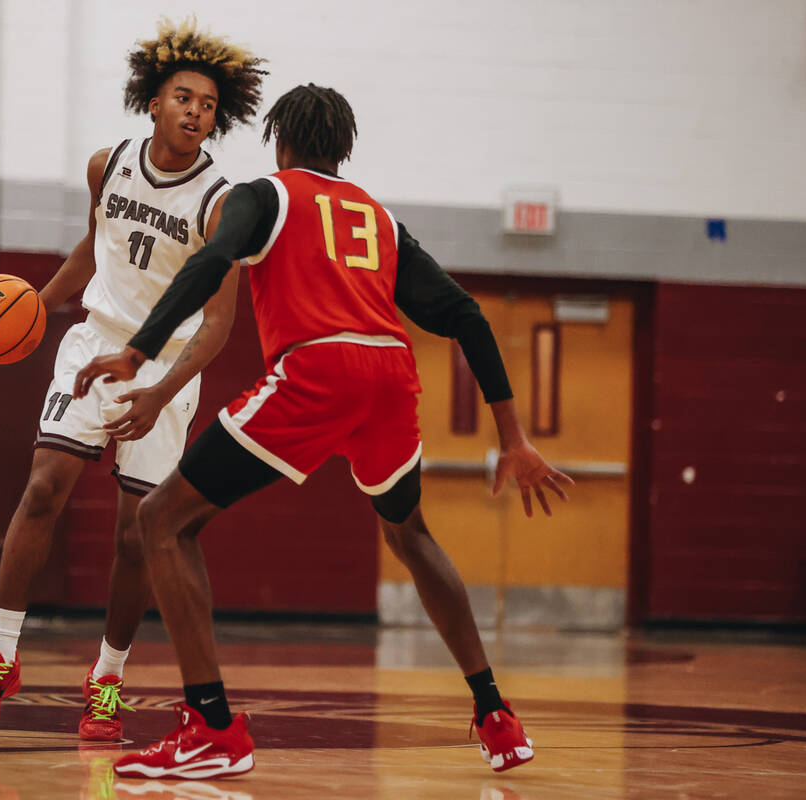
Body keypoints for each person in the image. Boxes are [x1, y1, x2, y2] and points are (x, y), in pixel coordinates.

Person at [74, 83, 575, 779]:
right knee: (410, 535)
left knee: (160, 521)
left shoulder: (264, 195)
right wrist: (513, 437)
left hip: (317, 368)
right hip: (390, 375)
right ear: (342, 149)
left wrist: (138, 348)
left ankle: (211, 725)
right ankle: (495, 712)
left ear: (280, 140)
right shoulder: (377, 216)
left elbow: (210, 262)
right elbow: (466, 316)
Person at [0, 18, 265, 743]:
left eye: (209, 104)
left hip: (166, 368)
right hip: (93, 344)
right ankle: (1, 656)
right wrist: (31, 304)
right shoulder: (108, 164)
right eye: (182, 96)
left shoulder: (224, 202)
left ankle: (107, 679)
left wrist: (161, 391)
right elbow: (91, 254)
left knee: (136, 536)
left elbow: (218, 326)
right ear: (152, 103)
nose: (195, 111)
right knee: (42, 487)